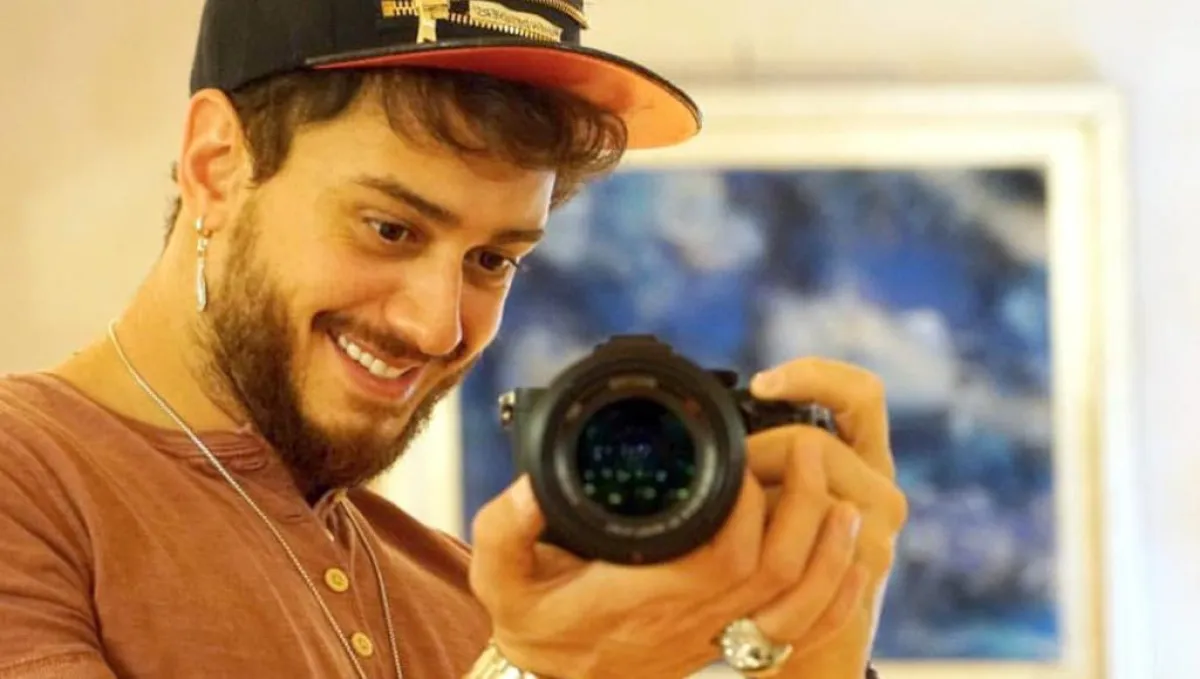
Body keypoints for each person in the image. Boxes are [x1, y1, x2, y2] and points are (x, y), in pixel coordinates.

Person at [0, 0, 909, 677]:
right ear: (215, 166)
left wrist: (815, 652)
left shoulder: (466, 589)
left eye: (493, 259)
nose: (437, 325)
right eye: (390, 228)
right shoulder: (29, 482)